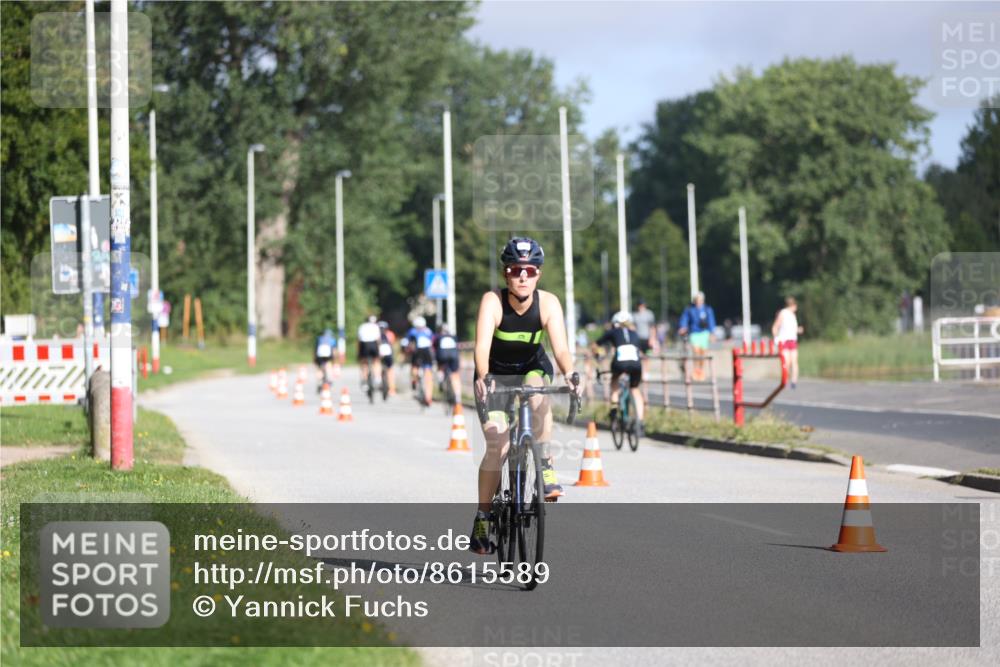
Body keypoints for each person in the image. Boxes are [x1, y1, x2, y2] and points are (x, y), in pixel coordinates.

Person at [469, 237, 581, 554]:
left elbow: (560, 347)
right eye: (516, 269)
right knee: (498, 445)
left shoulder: (548, 303)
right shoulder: (492, 301)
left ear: (538, 274)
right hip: (495, 377)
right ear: (506, 273)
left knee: (536, 392)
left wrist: (571, 373)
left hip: (532, 367)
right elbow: (481, 347)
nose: (522, 276)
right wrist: (483, 375)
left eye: (530, 270)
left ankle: (544, 461)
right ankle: (483, 516)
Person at [593, 311, 645, 436]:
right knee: (635, 390)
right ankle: (640, 423)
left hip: (619, 363)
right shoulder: (634, 333)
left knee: (614, 383)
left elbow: (596, 345)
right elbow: (643, 350)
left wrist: (598, 355)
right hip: (636, 365)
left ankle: (614, 408)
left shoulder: (612, 332)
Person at [677, 291, 716, 381]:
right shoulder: (690, 309)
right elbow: (685, 319)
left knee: (703, 353)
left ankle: (701, 370)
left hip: (704, 333)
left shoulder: (707, 309)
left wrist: (712, 333)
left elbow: (711, 321)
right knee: (696, 351)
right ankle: (696, 369)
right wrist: (683, 327)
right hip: (694, 333)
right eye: (697, 300)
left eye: (700, 300)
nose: (699, 302)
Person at [772, 296, 804, 389]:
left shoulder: (793, 315)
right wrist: (776, 339)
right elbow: (776, 326)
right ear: (793, 305)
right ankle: (785, 380)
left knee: (794, 361)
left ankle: (794, 381)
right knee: (787, 362)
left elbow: (792, 329)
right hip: (784, 340)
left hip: (792, 340)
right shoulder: (783, 313)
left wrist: (799, 330)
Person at [404, 316, 435, 406]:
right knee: (428, 373)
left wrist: (406, 351)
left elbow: (407, 343)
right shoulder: (428, 331)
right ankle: (428, 398)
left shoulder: (412, 331)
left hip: (417, 351)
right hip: (427, 351)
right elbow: (432, 342)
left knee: (414, 367)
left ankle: (414, 380)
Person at [433, 324, 461, 405]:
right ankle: (457, 396)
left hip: (442, 355)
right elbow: (457, 346)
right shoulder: (453, 336)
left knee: (440, 368)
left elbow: (434, 347)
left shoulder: (438, 337)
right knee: (455, 375)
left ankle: (441, 381)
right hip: (454, 355)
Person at [357, 315, 382, 390]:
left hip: (364, 345)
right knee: (376, 361)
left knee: (364, 363)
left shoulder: (362, 326)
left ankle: (364, 382)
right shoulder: (376, 326)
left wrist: (359, 352)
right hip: (373, 344)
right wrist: (379, 351)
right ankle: (377, 378)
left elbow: (359, 340)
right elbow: (378, 340)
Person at [377, 321, 397, 396]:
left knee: (377, 365)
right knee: (390, 371)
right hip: (389, 354)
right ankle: (392, 389)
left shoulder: (376, 334)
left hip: (380, 354)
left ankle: (377, 380)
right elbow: (392, 344)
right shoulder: (390, 334)